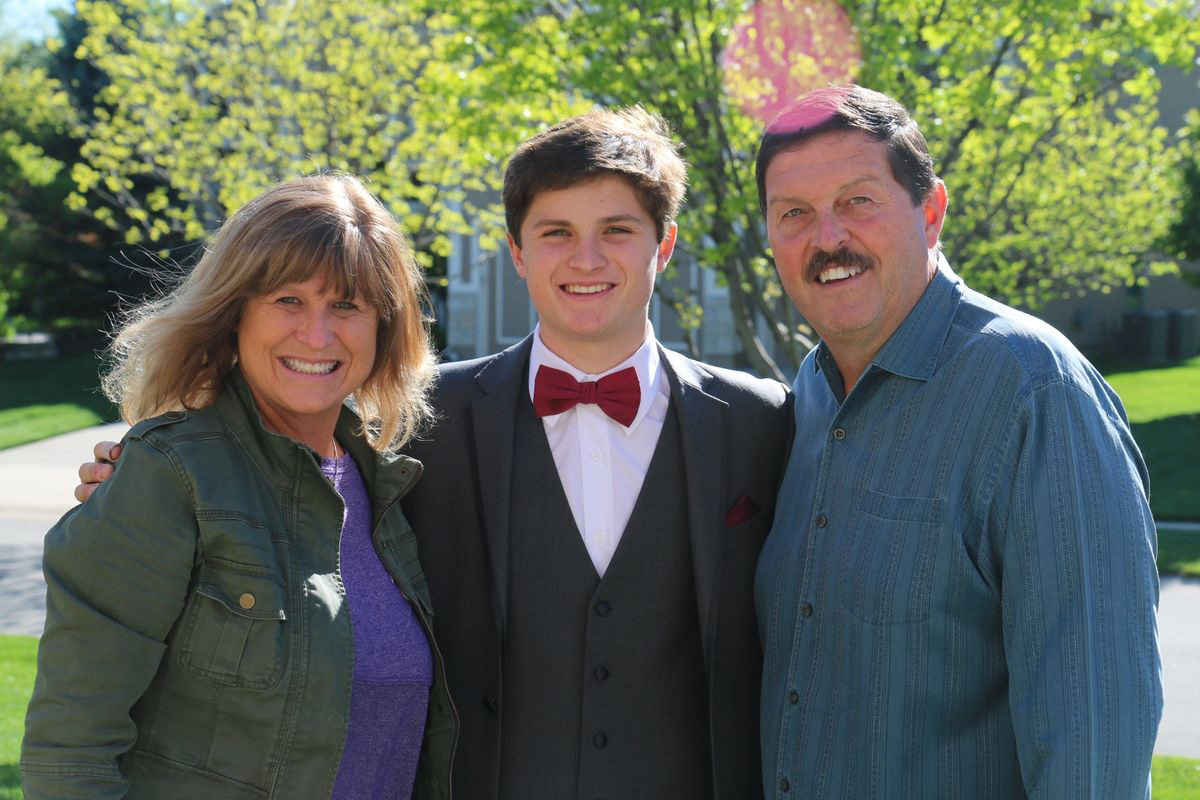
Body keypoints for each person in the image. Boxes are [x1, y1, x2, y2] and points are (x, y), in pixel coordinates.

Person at [78, 108, 793, 799]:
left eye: (617, 230)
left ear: (663, 246)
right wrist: (144, 476)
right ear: (516, 252)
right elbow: (280, 465)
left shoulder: (759, 422)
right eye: (555, 232)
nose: (586, 258)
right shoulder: (418, 420)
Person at [753, 85, 1161, 799]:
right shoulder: (808, 397)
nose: (828, 239)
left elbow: (1094, 737)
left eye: (858, 201)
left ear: (931, 211)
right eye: (795, 214)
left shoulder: (1037, 391)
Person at [25, 175, 457, 799]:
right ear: (235, 313)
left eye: (346, 305)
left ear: (383, 327)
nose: (317, 335)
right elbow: (70, 753)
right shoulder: (170, 474)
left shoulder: (393, 486)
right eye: (287, 300)